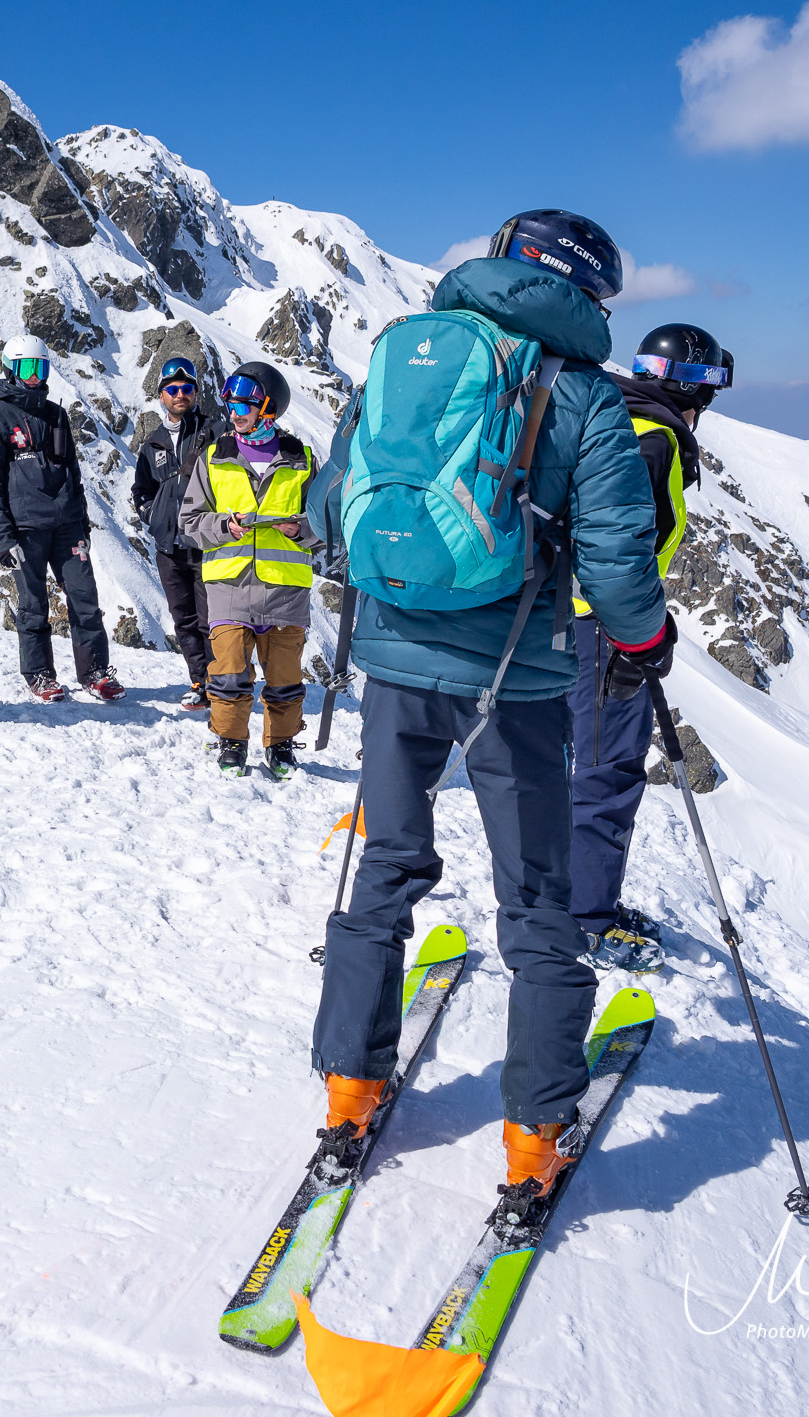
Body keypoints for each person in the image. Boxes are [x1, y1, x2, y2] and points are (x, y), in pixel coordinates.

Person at [308, 209, 675, 1197]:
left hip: (394, 660)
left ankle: (349, 1092)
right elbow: (615, 557)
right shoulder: (588, 397)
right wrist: (646, 642)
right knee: (538, 901)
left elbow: (328, 502)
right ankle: (533, 1139)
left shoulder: (405, 355)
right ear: (585, 293)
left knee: (384, 867)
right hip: (517, 681)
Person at [567, 323, 730, 974]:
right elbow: (620, 554)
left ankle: (560, 897)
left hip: (549, 619)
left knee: (558, 763)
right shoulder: (654, 440)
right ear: (695, 391)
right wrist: (645, 635)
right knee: (606, 772)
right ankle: (584, 920)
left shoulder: (601, 416)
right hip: (602, 630)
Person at [177, 361, 315, 776]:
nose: (234, 413)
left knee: (284, 678)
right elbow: (189, 522)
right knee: (228, 674)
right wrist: (225, 526)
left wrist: (300, 530)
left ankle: (281, 745)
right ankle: (231, 741)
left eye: (244, 405)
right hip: (230, 587)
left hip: (285, 591)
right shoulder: (214, 458)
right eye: (231, 404)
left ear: (268, 408)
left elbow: (330, 526)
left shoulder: (302, 461)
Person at [0, 333, 123, 703]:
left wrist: (82, 522)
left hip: (67, 525)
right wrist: (4, 538)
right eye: (26, 368)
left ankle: (95, 672)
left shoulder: (56, 414)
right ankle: (39, 674)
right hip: (25, 530)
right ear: (10, 370)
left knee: (85, 596)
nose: (34, 377)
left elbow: (73, 472)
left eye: (40, 368)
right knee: (33, 603)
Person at [131, 356, 225, 709]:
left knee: (210, 618)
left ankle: (218, 682)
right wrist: (152, 515)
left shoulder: (214, 432)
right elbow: (141, 489)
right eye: (172, 389)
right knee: (183, 619)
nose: (180, 394)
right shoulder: (152, 444)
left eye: (186, 388)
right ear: (161, 395)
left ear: (196, 393)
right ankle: (200, 681)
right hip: (168, 546)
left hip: (206, 543)